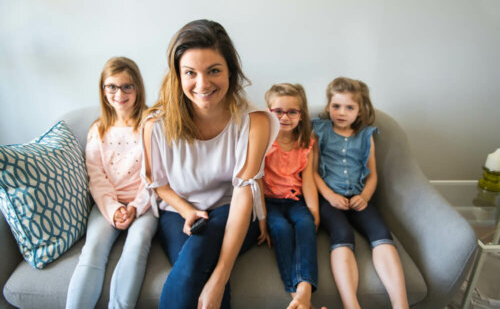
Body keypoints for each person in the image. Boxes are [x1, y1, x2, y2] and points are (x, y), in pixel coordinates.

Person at [141, 19, 279, 309]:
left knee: (197, 262)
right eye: (190, 73)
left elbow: (243, 194)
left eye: (214, 70)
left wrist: (220, 277)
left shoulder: (254, 122)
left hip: (233, 212)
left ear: (231, 71)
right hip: (179, 211)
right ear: (178, 76)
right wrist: (187, 210)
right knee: (191, 269)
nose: (202, 84)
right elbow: (159, 185)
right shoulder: (156, 124)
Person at [66, 57, 158, 309]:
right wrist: (112, 208)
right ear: (104, 90)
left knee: (137, 244)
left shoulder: (150, 124)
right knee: (93, 249)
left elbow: (156, 174)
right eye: (112, 87)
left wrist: (135, 207)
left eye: (127, 86)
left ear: (137, 88)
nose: (119, 94)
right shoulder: (98, 129)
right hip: (108, 203)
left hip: (144, 203)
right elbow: (96, 176)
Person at [313, 77, 409, 309]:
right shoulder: (320, 130)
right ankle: (351, 304)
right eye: (336, 106)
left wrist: (365, 196)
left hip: (358, 197)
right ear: (328, 107)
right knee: (342, 234)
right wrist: (328, 196)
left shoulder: (366, 136)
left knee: (381, 234)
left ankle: (401, 303)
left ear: (360, 110)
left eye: (349, 107)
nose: (341, 112)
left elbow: (372, 174)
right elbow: (312, 172)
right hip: (329, 200)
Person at [262, 83, 319, 309]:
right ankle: (295, 292)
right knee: (282, 229)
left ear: (301, 115)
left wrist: (315, 213)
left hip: (295, 200)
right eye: (278, 111)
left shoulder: (306, 144)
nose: (285, 117)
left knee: (305, 224)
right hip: (270, 202)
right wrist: (262, 219)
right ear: (269, 112)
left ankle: (304, 286)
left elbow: (309, 181)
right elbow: (255, 182)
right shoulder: (265, 142)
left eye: (292, 112)